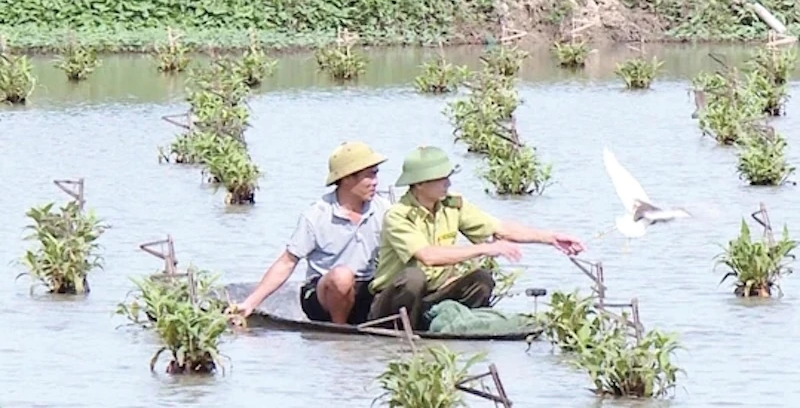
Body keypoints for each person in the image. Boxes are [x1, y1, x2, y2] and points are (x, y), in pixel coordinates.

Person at [367, 146, 586, 330]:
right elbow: (428, 256)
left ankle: (448, 328)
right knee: (414, 278)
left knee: (481, 278)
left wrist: (550, 238)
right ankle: (401, 331)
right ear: (419, 184)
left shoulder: (452, 204)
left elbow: (499, 229)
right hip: (392, 304)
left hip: (432, 295)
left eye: (448, 177)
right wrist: (483, 249)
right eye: (441, 179)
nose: (448, 184)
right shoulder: (398, 215)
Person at [232, 141, 391, 325]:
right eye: (369, 176)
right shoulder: (317, 216)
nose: (375, 182)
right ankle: (339, 331)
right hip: (323, 294)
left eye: (376, 175)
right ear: (347, 178)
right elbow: (287, 263)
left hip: (366, 288)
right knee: (342, 277)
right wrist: (251, 303)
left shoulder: (384, 209)